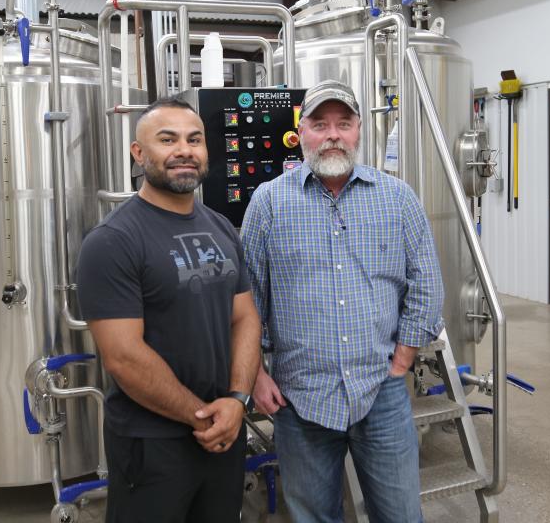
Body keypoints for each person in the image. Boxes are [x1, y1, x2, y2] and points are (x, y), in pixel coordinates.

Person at [240, 79, 445, 523]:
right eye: (319, 124)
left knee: (400, 515)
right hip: (299, 397)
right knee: (312, 516)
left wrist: (403, 358)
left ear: (358, 132)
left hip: (382, 391)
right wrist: (254, 373)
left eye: (343, 123)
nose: (332, 134)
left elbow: (426, 283)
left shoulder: (397, 199)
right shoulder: (269, 203)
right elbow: (246, 301)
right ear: (302, 133)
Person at [76, 97, 262, 523]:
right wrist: (204, 417)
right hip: (152, 443)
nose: (184, 150)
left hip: (223, 433)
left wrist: (236, 400)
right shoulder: (112, 241)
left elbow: (245, 318)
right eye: (167, 139)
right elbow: (124, 357)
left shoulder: (219, 227)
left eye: (194, 139)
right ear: (139, 154)